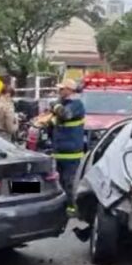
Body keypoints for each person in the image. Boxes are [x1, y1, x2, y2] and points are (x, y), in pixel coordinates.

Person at [51, 79, 85, 212]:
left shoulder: (76, 104)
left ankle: (73, 209)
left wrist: (56, 107)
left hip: (72, 153)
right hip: (60, 151)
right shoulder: (63, 103)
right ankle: (63, 207)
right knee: (60, 183)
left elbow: (65, 115)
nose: (59, 91)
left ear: (69, 90)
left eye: (62, 89)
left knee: (70, 182)